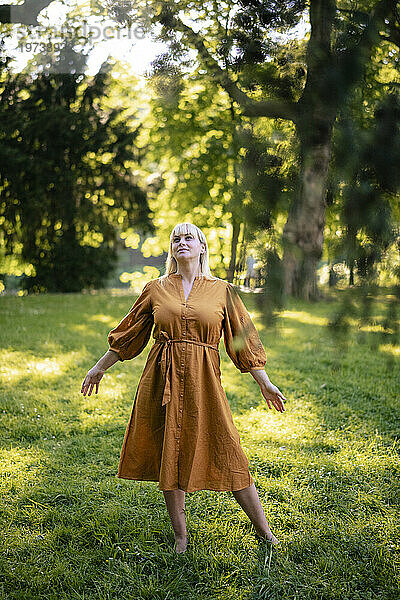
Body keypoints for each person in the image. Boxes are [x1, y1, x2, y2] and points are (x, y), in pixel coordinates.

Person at [81, 223, 286, 554]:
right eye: (176, 238)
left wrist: (264, 382)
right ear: (171, 249)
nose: (181, 242)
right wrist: (99, 367)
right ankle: (181, 537)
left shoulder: (222, 291)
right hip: (162, 379)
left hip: (205, 382)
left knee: (228, 448)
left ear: (203, 246)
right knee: (169, 450)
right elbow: (130, 333)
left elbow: (243, 340)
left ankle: (266, 534)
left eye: (189, 237)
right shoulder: (156, 288)